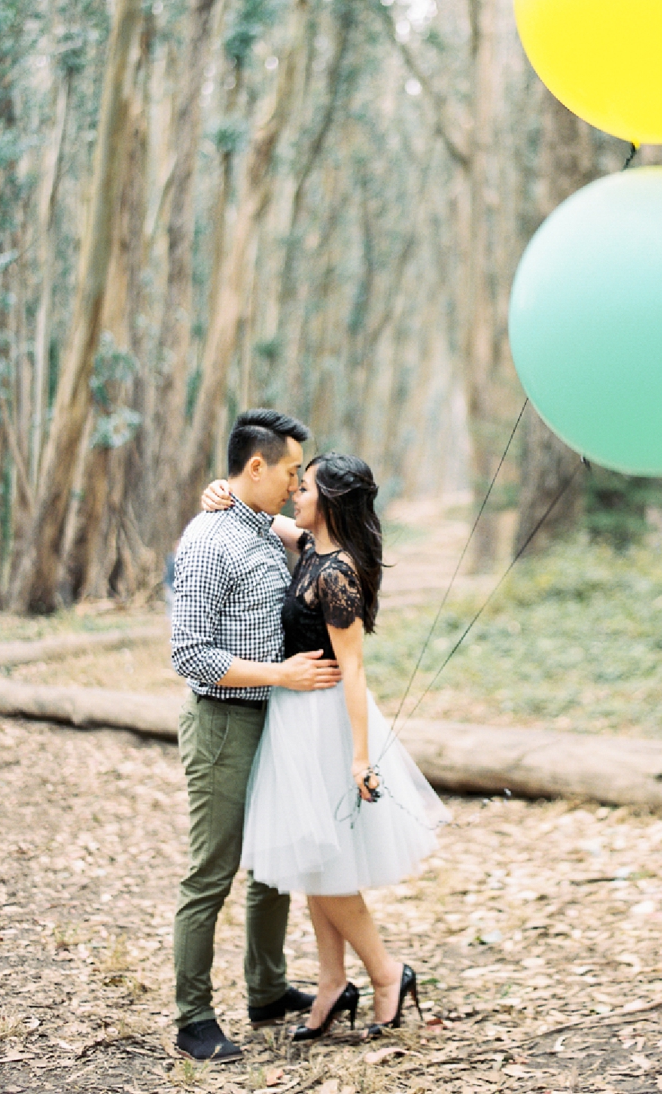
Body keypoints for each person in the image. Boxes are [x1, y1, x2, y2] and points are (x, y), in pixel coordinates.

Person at [201, 452, 447, 1040]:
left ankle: (387, 974)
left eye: (304, 487)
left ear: (329, 502)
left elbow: (355, 671)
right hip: (295, 717)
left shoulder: (337, 573)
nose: (294, 494)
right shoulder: (312, 549)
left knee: (324, 864)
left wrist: (360, 758)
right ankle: (334, 983)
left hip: (325, 725)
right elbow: (265, 518)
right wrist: (221, 493)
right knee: (315, 862)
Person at [170, 409, 343, 1064]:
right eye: (292, 471)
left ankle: (267, 992)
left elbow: (310, 537)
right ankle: (193, 1018)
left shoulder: (264, 529)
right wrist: (282, 674)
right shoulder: (210, 541)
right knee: (212, 871)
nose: (298, 483)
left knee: (273, 864)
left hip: (276, 717)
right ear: (256, 467)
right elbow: (189, 654)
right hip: (223, 722)